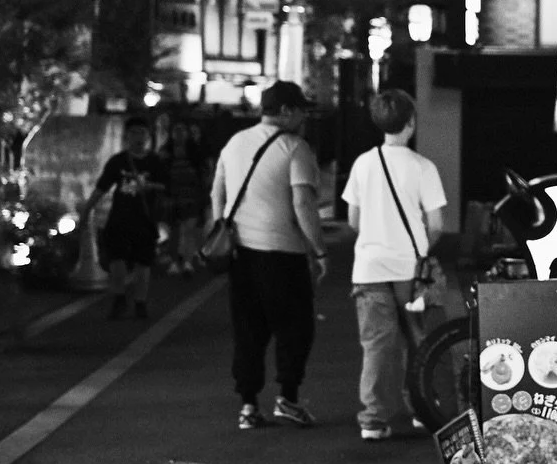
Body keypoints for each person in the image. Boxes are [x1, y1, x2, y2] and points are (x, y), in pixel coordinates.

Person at [209, 80, 326, 430]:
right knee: (295, 328)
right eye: (301, 109)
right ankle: (288, 399)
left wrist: (224, 230)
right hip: (283, 256)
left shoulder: (234, 143)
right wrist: (318, 250)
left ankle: (248, 405)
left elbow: (217, 195)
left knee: (248, 331)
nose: (305, 116)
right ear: (287, 111)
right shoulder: (295, 148)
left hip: (242, 255)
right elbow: (303, 203)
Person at [342, 89, 446, 442]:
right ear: (411, 122)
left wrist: (377, 237)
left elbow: (354, 220)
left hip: (370, 268)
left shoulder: (362, 164)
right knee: (420, 342)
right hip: (410, 271)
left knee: (376, 345)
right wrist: (418, 250)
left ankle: (373, 420)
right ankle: (420, 409)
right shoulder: (422, 167)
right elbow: (436, 226)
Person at [78, 116, 168, 320]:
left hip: (145, 218)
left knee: (143, 262)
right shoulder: (118, 161)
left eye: (142, 133)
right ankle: (119, 298)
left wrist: (150, 186)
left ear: (148, 136)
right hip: (120, 217)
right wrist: (87, 210)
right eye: (134, 133)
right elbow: (101, 188)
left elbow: (166, 185)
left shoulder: (155, 162)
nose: (139, 137)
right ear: (126, 136)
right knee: (117, 260)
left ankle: (140, 302)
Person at [162, 119, 211, 274]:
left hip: (192, 196)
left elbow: (205, 174)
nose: (179, 133)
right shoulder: (165, 152)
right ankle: (175, 261)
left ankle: (188, 261)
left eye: (182, 130)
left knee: (188, 229)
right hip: (171, 196)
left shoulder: (196, 152)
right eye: (176, 130)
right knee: (174, 230)